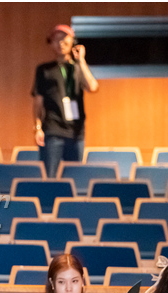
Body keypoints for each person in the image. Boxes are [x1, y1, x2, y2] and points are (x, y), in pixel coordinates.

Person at [32, 24, 99, 178]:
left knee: (76, 177)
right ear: (51, 44)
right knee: (50, 177)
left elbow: (93, 87)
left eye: (64, 39)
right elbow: (38, 102)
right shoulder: (44, 69)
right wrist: (37, 127)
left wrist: (81, 60)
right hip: (52, 130)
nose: (60, 43)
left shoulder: (78, 67)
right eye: (56, 40)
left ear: (73, 42)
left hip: (76, 132)